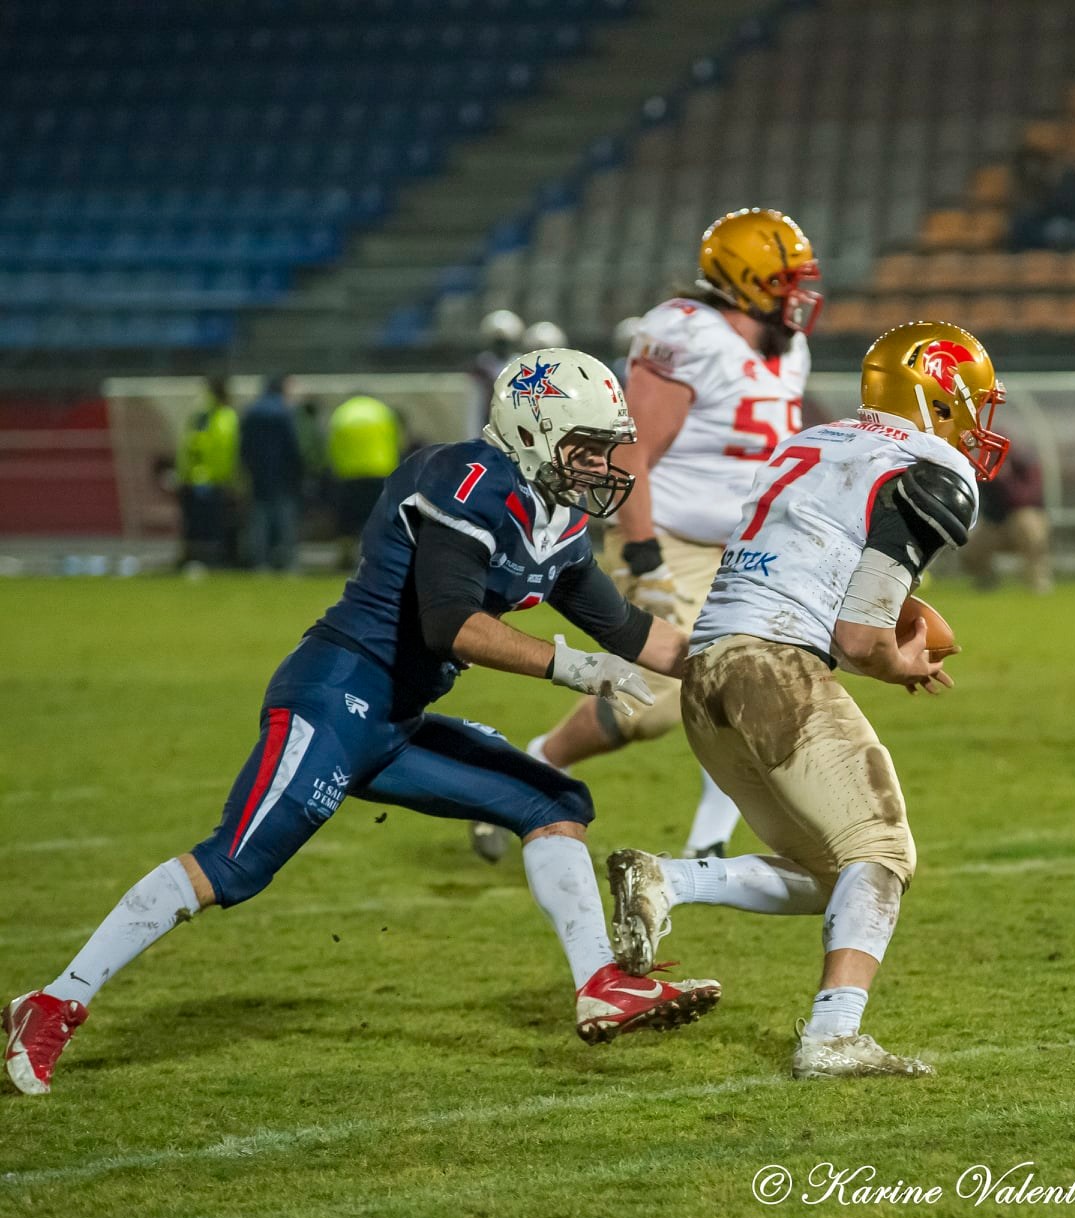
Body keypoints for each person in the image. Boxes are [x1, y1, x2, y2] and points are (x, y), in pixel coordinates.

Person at [3, 349, 718, 1097]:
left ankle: (602, 983)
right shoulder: (466, 478)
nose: (600, 463)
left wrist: (744, 664)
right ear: (534, 431)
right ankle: (53, 1001)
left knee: (554, 803)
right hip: (335, 692)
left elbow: (636, 633)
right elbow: (452, 624)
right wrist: (572, 667)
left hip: (395, 718)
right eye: (586, 445)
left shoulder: (558, 521)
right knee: (233, 867)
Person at [603, 320, 1007, 1079]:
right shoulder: (930, 470)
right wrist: (900, 662)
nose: (979, 423)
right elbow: (859, 637)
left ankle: (667, 878)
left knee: (834, 872)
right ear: (939, 396)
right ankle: (833, 1037)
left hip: (707, 672)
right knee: (882, 849)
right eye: (973, 402)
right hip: (774, 668)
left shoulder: (810, 441)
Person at [523, 208, 821, 865]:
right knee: (652, 703)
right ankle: (540, 761)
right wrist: (643, 553)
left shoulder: (788, 345)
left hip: (754, 547)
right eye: (786, 280)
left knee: (759, 685)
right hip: (674, 541)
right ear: (744, 281)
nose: (799, 294)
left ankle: (710, 839)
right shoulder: (687, 336)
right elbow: (633, 454)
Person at [326, 393, 403, 569]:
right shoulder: (382, 412)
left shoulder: (341, 414)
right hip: (379, 471)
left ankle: (346, 558)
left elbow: (333, 445)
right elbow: (396, 441)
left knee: (348, 519)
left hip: (349, 474)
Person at [963, 445, 1052, 593]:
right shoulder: (983, 468)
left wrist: (1005, 479)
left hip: (1022, 521)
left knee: (1026, 524)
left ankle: (1037, 580)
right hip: (997, 524)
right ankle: (987, 581)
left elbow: (1025, 498)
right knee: (970, 549)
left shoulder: (1025, 465)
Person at [239, 375, 304, 572]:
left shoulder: (251, 412)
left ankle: (259, 561)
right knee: (284, 517)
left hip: (259, 473)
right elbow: (293, 446)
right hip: (283, 474)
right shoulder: (285, 412)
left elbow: (244, 446)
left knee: (260, 517)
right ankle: (288, 561)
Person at [176, 376, 240, 571]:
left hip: (216, 480)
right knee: (201, 524)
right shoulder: (213, 416)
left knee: (214, 524)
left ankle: (213, 560)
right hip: (205, 480)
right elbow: (195, 447)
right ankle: (200, 560)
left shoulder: (214, 416)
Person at [468, 309, 524, 437]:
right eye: (497, 342)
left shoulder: (520, 364)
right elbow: (474, 409)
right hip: (487, 422)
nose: (501, 347)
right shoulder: (482, 365)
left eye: (504, 342)